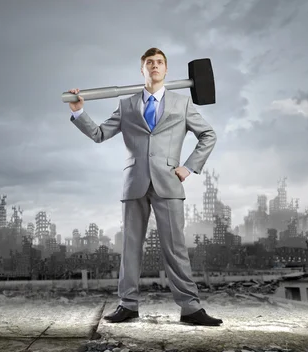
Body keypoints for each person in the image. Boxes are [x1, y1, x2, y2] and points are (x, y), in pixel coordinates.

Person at [67, 47, 222, 326]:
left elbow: (208, 134)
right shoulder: (127, 105)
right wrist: (79, 113)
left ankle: (190, 308)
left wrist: (188, 167)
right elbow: (100, 134)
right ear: (142, 69)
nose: (154, 66)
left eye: (159, 62)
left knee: (175, 248)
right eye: (149, 62)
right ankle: (128, 305)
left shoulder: (181, 103)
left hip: (169, 182)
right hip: (134, 183)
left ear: (166, 69)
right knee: (130, 248)